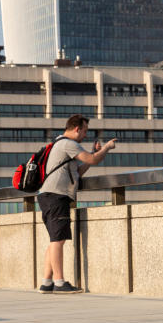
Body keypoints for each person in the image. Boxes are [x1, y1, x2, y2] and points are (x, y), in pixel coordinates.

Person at [37, 114, 116, 294]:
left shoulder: (60, 143)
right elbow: (92, 159)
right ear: (76, 128)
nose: (86, 135)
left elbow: (79, 171)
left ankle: (47, 282)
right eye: (85, 131)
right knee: (58, 239)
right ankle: (59, 282)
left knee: (55, 239)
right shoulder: (68, 143)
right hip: (56, 196)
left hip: (49, 195)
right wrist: (107, 148)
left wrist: (95, 152)